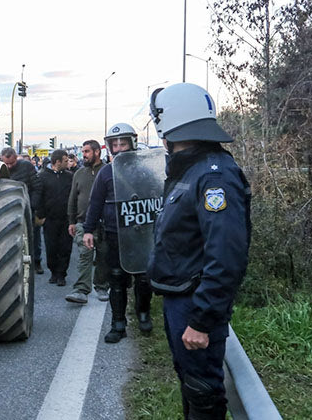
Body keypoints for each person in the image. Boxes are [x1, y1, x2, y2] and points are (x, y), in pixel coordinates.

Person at [146, 83, 251, 419]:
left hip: (193, 304)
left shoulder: (213, 176)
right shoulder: (192, 170)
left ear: (169, 123)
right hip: (182, 298)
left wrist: (202, 320)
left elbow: (226, 255)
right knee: (192, 385)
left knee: (203, 392)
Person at [83, 123, 153, 342]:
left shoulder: (144, 169)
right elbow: (95, 203)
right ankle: (118, 324)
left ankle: (143, 314)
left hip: (141, 232)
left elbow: (156, 196)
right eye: (115, 143)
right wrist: (88, 230)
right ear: (110, 147)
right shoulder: (105, 172)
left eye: (123, 143)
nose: (120, 147)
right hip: (114, 234)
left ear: (131, 143)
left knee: (143, 278)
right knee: (116, 279)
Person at [65, 140, 109, 304]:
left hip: (104, 223)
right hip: (83, 223)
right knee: (84, 256)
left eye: (87, 152)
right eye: (83, 152)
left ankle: (102, 286)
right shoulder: (79, 173)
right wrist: (71, 221)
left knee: (104, 256)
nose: (83, 155)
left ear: (97, 152)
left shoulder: (107, 171)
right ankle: (81, 290)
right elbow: (73, 198)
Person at [0, 147, 43, 273]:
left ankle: (36, 262)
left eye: (11, 163)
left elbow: (37, 187)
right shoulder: (0, 169)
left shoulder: (26, 167)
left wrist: (32, 206)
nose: (8, 166)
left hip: (27, 207)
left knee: (34, 237)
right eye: (6, 164)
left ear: (16, 159)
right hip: (8, 209)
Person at [36, 149, 73, 286]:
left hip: (66, 219)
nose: (67, 163)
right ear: (57, 162)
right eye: (65, 160)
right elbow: (39, 197)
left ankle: (62, 274)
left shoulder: (70, 176)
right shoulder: (42, 176)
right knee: (51, 248)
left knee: (65, 247)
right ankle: (53, 272)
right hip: (50, 219)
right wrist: (40, 215)